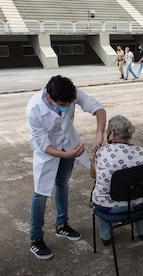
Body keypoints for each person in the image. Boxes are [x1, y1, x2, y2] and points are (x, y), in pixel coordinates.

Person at [26, 75, 106, 259]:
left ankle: (62, 225)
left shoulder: (70, 93)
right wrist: (65, 155)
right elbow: (43, 145)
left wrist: (99, 134)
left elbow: (98, 109)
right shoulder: (34, 109)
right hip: (46, 153)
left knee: (62, 184)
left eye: (69, 104)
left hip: (69, 144)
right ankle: (35, 238)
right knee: (41, 193)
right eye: (63, 104)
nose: (67, 106)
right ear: (49, 97)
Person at [91, 115, 143, 245]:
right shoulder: (142, 152)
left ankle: (106, 236)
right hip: (139, 205)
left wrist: (94, 156)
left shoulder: (102, 152)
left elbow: (93, 175)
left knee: (100, 189)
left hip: (110, 208)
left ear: (112, 133)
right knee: (136, 188)